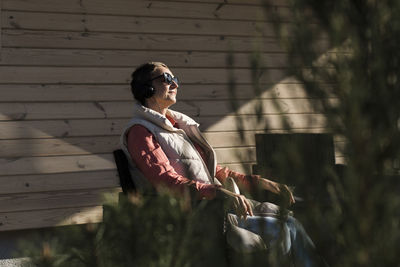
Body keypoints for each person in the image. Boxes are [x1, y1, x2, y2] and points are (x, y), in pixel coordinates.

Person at [120, 62, 327, 267]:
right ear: (147, 88)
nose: (174, 84)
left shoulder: (177, 128)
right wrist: (216, 192)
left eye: (175, 79)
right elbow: (164, 180)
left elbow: (215, 171)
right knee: (281, 230)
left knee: (292, 222)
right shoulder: (141, 132)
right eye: (166, 79)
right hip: (198, 214)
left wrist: (259, 182)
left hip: (215, 206)